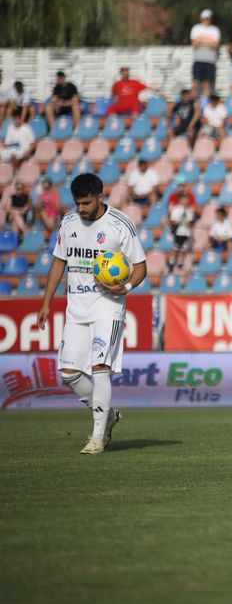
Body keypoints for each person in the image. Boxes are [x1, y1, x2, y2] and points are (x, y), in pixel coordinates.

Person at [36, 174, 147, 454]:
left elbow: (140, 266)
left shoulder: (119, 225)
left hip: (107, 307)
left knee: (100, 369)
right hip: (77, 308)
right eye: (77, 203)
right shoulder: (70, 222)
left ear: (100, 196)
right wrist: (46, 302)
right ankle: (107, 414)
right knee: (70, 374)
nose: (81, 208)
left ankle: (98, 437)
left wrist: (128, 286)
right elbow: (59, 262)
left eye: (86, 203)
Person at [190, 9, 221, 99]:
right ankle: (192, 103)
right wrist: (209, 43)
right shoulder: (196, 28)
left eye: (208, 18)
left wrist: (201, 42)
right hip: (198, 60)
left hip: (210, 61)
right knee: (195, 83)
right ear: (201, 19)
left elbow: (216, 45)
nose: (206, 20)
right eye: (204, 18)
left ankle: (205, 103)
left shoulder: (215, 30)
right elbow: (194, 43)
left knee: (208, 84)